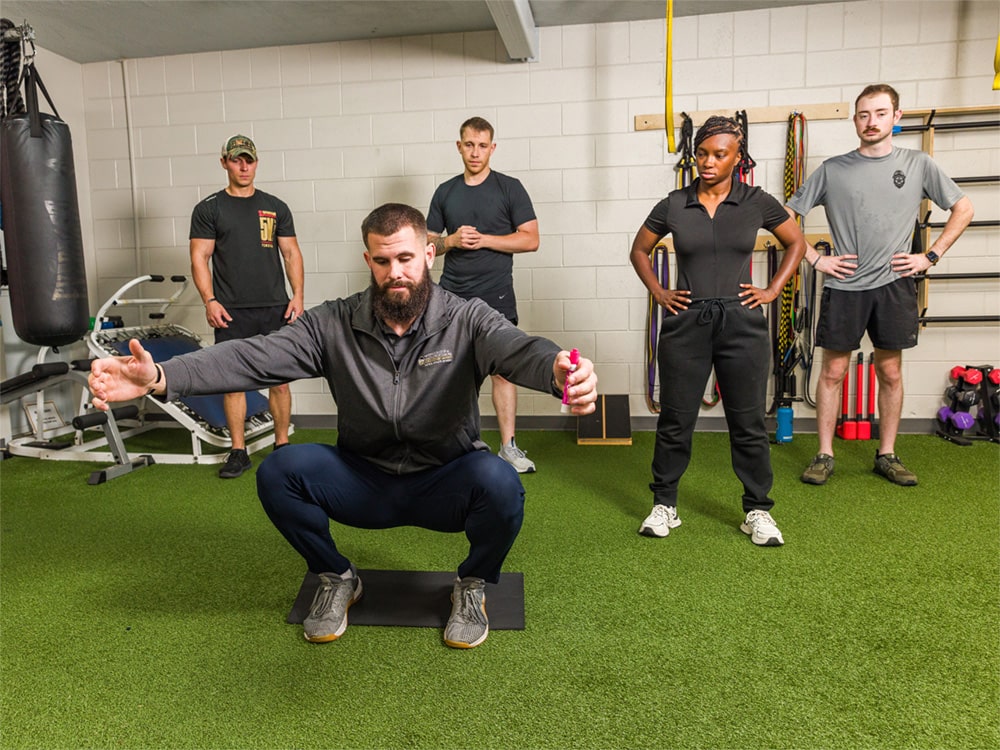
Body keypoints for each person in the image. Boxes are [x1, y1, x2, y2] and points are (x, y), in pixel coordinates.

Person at [89, 203, 597, 650]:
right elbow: (253, 356)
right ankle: (336, 575)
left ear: (428, 254)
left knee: (501, 482)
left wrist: (559, 371)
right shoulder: (333, 323)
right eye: (382, 261)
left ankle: (471, 584)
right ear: (368, 261)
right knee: (281, 469)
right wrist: (160, 375)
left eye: (405, 258)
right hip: (365, 480)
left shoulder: (468, 319)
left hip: (447, 480)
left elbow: (518, 348)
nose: (395, 272)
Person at [629, 116, 806, 547]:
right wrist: (658, 291)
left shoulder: (756, 201)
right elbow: (639, 249)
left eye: (719, 154)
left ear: (736, 157)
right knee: (676, 419)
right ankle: (664, 504)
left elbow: (796, 242)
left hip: (741, 322)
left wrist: (772, 290)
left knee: (746, 421)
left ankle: (758, 511)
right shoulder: (673, 204)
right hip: (686, 322)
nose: (708, 162)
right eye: (703, 154)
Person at [787, 84, 974, 487]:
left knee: (889, 372)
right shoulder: (833, 169)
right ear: (854, 120)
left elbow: (964, 207)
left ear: (896, 117)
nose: (871, 122)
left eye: (879, 113)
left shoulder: (919, 163)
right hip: (846, 286)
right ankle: (824, 454)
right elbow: (785, 216)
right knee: (833, 372)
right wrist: (817, 259)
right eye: (863, 114)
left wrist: (930, 256)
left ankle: (886, 454)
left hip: (894, 285)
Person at [427, 117, 540, 473]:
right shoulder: (445, 192)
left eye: (482, 145)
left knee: (502, 371)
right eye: (469, 144)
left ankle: (508, 447)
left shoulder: (510, 188)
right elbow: (428, 244)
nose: (475, 152)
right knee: (453, 371)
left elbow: (531, 239)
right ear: (459, 146)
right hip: (452, 296)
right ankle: (458, 446)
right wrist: (452, 241)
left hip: (497, 297)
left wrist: (486, 239)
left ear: (492, 148)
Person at [189, 134, 305, 479]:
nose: (243, 166)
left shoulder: (275, 206)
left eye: (249, 160)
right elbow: (200, 257)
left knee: (280, 381)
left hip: (275, 307)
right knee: (233, 381)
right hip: (231, 310)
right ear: (224, 161)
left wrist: (297, 295)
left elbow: (291, 253)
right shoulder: (209, 208)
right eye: (236, 159)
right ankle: (238, 451)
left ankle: (281, 445)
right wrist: (209, 300)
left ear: (256, 162)